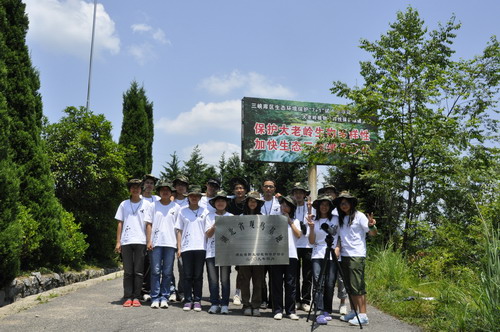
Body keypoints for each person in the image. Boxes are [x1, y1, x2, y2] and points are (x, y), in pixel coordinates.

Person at [334, 191, 377, 326]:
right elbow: (340, 237)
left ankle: (363, 315)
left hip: (357, 255)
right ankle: (354, 311)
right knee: (349, 286)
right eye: (341, 203)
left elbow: (372, 233)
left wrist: (372, 225)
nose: (344, 204)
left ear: (352, 203)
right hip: (344, 255)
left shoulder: (360, 216)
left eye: (346, 202)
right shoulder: (341, 218)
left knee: (357, 286)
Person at [115, 179, 153, 307]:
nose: (135, 189)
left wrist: (149, 241)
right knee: (128, 271)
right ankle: (127, 296)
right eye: (133, 187)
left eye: (137, 187)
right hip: (126, 241)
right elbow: (120, 223)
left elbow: (148, 224)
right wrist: (118, 241)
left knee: (138, 271)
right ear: (130, 189)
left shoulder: (146, 204)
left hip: (141, 241)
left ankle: (136, 296)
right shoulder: (124, 204)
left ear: (141, 189)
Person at [175, 185, 209, 312]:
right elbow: (179, 230)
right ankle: (188, 300)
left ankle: (197, 300)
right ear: (188, 197)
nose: (194, 198)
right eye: (192, 196)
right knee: (187, 275)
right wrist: (179, 247)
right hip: (186, 247)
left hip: (201, 247)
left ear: (200, 198)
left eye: (196, 196)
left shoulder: (205, 211)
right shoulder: (182, 211)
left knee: (198, 275)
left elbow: (208, 231)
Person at [307, 195, 340, 325]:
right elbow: (311, 241)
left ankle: (327, 309)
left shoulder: (336, 219)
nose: (324, 207)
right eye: (322, 204)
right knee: (318, 282)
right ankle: (319, 311)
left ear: (330, 207)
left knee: (330, 283)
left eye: (327, 204)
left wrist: (338, 247)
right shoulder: (314, 220)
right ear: (318, 207)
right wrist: (310, 227)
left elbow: (341, 236)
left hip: (332, 253)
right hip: (317, 254)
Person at [146, 180, 177, 309]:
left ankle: (164, 297)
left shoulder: (176, 207)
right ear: (159, 192)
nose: (165, 192)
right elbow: (148, 224)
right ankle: (155, 297)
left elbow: (179, 228)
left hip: (170, 243)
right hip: (156, 243)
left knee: (167, 272)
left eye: (167, 190)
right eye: (162, 190)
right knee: (155, 271)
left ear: (171, 192)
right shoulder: (153, 205)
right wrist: (149, 240)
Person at [271, 196, 301, 321]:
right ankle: (277, 310)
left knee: (290, 284)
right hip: (276, 255)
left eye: (287, 205)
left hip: (291, 255)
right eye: (283, 205)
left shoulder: (296, 221)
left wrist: (289, 221)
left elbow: (298, 235)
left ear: (292, 208)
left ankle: (290, 310)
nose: (285, 207)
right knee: (276, 283)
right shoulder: (274, 221)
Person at [320, 184, 348, 315]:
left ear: (335, 195)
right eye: (326, 192)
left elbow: (342, 232)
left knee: (341, 278)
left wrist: (338, 246)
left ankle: (343, 303)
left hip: (340, 249)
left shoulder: (339, 211)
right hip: (324, 249)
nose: (329, 194)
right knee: (326, 279)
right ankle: (324, 306)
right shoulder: (323, 210)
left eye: (331, 192)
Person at [205, 191, 233, 314]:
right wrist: (216, 224)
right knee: (213, 279)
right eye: (218, 201)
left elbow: (234, 236)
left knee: (225, 279)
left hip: (226, 252)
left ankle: (225, 304)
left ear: (226, 203)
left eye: (223, 201)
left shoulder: (231, 217)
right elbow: (208, 234)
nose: (220, 203)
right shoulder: (209, 216)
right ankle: (214, 303)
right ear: (214, 203)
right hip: (211, 251)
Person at [239, 191, 266, 317]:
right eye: (250, 200)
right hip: (244, 253)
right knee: (244, 280)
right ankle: (246, 304)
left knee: (258, 280)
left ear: (258, 203)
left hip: (259, 254)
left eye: (255, 201)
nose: (252, 203)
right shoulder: (240, 217)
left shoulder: (264, 217)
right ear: (247, 202)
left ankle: (256, 305)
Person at [226, 177, 249, 305]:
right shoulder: (229, 203)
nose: (239, 190)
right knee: (227, 268)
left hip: (245, 240)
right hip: (231, 239)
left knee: (242, 269)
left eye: (241, 188)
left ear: (245, 190)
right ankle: (226, 293)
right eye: (237, 188)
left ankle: (238, 293)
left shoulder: (250, 202)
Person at [292, 182, 313, 312]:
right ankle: (296, 300)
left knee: (307, 275)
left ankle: (306, 300)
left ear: (305, 194)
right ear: (293, 194)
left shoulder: (311, 207)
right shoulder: (290, 207)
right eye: (296, 192)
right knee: (294, 275)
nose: (298, 195)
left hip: (307, 245)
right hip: (293, 245)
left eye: (301, 192)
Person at [260, 179, 281, 309]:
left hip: (275, 243)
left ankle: (273, 300)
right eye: (266, 186)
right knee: (261, 275)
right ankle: (263, 299)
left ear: (274, 189)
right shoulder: (258, 202)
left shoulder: (279, 202)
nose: (268, 189)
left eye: (271, 187)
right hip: (261, 242)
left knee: (274, 274)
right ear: (263, 188)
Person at [170, 175, 190, 302]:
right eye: (178, 184)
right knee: (167, 267)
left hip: (184, 238)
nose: (181, 187)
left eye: (183, 184)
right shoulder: (170, 200)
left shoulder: (191, 200)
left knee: (183, 267)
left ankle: (182, 291)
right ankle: (171, 290)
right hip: (168, 236)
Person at [141, 174, 159, 302]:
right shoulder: (138, 198)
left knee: (151, 265)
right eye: (147, 182)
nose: (149, 185)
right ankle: (138, 291)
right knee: (138, 265)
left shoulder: (156, 199)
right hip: (138, 236)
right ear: (143, 184)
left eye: (151, 183)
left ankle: (147, 290)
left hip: (153, 238)